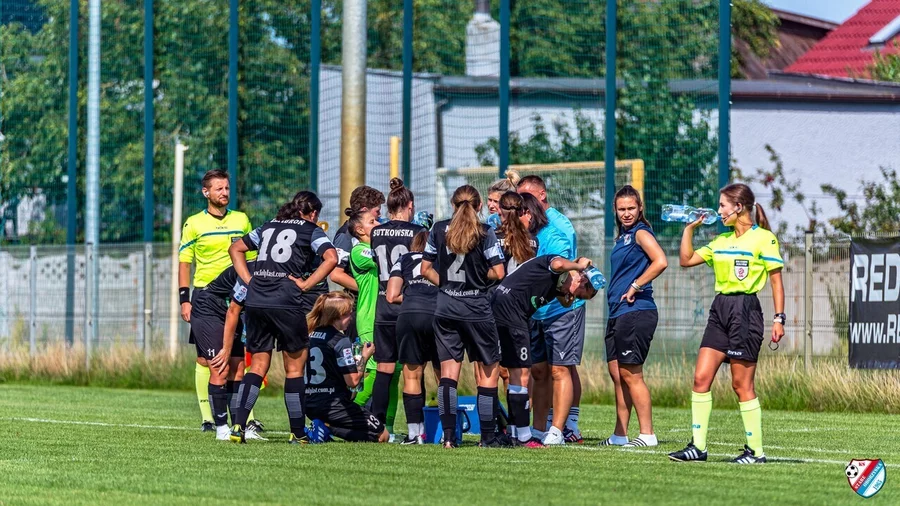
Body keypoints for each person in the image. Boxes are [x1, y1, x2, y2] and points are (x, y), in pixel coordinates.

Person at [669, 183, 785, 464]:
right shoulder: (720, 241)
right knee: (700, 378)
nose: (718, 211)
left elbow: (776, 281)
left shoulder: (764, 238)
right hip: (719, 310)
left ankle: (756, 452)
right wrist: (689, 229)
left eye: (723, 205)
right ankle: (698, 448)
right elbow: (686, 260)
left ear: (738, 207)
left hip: (745, 311)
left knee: (740, 384)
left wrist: (779, 318)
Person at [227, 190, 338, 444]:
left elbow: (235, 249)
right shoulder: (311, 230)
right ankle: (298, 432)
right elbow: (331, 258)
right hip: (286, 300)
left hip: (256, 301)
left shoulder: (268, 226)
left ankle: (238, 426)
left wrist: (250, 281)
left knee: (257, 365)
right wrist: (307, 284)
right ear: (312, 213)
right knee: (295, 368)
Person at [420, 185, 507, 448]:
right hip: (476, 308)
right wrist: (476, 281)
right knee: (488, 373)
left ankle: (448, 437)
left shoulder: (438, 229)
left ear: (453, 204)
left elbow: (425, 269)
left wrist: (448, 286)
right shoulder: (485, 232)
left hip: (446, 307)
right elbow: (499, 272)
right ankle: (487, 437)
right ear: (479, 206)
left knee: (448, 375)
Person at [177, 169, 262, 434]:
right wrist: (184, 300)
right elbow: (185, 263)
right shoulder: (194, 223)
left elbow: (251, 258)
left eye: (227, 188)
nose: (224, 193)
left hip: (237, 298)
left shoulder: (241, 219)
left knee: (238, 364)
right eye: (219, 189)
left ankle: (240, 424)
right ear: (206, 192)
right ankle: (212, 421)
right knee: (211, 362)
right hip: (206, 298)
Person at [492, 253, 598, 448]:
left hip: (501, 305)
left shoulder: (558, 284)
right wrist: (579, 267)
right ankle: (524, 437)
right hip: (513, 310)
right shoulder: (559, 267)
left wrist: (571, 292)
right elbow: (557, 264)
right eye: (579, 293)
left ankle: (514, 432)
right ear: (580, 280)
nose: (573, 297)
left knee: (513, 372)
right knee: (522, 373)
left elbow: (564, 299)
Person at [518, 175, 585, 444]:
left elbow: (566, 270)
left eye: (526, 200)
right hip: (537, 311)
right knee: (539, 371)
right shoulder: (526, 233)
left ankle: (563, 427)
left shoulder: (558, 227)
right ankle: (540, 427)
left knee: (561, 369)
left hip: (562, 308)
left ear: (541, 196)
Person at [601, 186, 667, 448]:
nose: (626, 213)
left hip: (636, 311)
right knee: (618, 375)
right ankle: (620, 434)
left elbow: (661, 261)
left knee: (632, 374)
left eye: (631, 208)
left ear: (640, 208)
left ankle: (647, 435)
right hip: (618, 312)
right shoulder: (623, 238)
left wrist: (636, 285)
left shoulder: (640, 233)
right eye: (621, 209)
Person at [367, 178, 425, 437]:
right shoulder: (417, 231)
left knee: (384, 369)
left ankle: (378, 428)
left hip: (383, 306)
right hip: (409, 305)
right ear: (409, 206)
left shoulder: (376, 232)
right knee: (415, 369)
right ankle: (419, 429)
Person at [304, 292, 390, 443]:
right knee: (383, 435)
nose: (351, 318)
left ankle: (323, 427)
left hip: (309, 404)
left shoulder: (309, 335)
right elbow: (353, 381)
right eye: (349, 314)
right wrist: (365, 356)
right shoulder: (340, 340)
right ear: (337, 316)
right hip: (333, 405)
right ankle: (326, 427)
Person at [329, 186, 386, 406]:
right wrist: (366, 289)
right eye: (376, 213)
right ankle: (345, 412)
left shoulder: (369, 234)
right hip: (357, 307)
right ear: (364, 209)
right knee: (360, 364)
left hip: (370, 304)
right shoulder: (347, 236)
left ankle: (368, 416)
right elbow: (336, 273)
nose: (379, 218)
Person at [191, 261, 255, 440]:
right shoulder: (251, 272)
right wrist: (226, 349)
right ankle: (221, 428)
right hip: (209, 310)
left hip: (232, 312)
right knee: (221, 367)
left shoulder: (279, 273)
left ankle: (237, 427)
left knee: (238, 369)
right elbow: (233, 310)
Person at [386, 230, 439, 444]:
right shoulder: (442, 257)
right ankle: (448, 433)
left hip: (410, 314)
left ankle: (415, 434)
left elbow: (391, 296)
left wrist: (411, 297)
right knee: (445, 376)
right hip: (438, 314)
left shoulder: (404, 258)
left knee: (412, 376)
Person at [346, 210, 381, 412]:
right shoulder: (359, 251)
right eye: (373, 221)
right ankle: (346, 416)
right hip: (369, 318)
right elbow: (383, 257)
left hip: (385, 316)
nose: (378, 224)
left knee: (393, 373)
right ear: (360, 230)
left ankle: (388, 426)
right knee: (375, 371)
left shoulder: (376, 247)